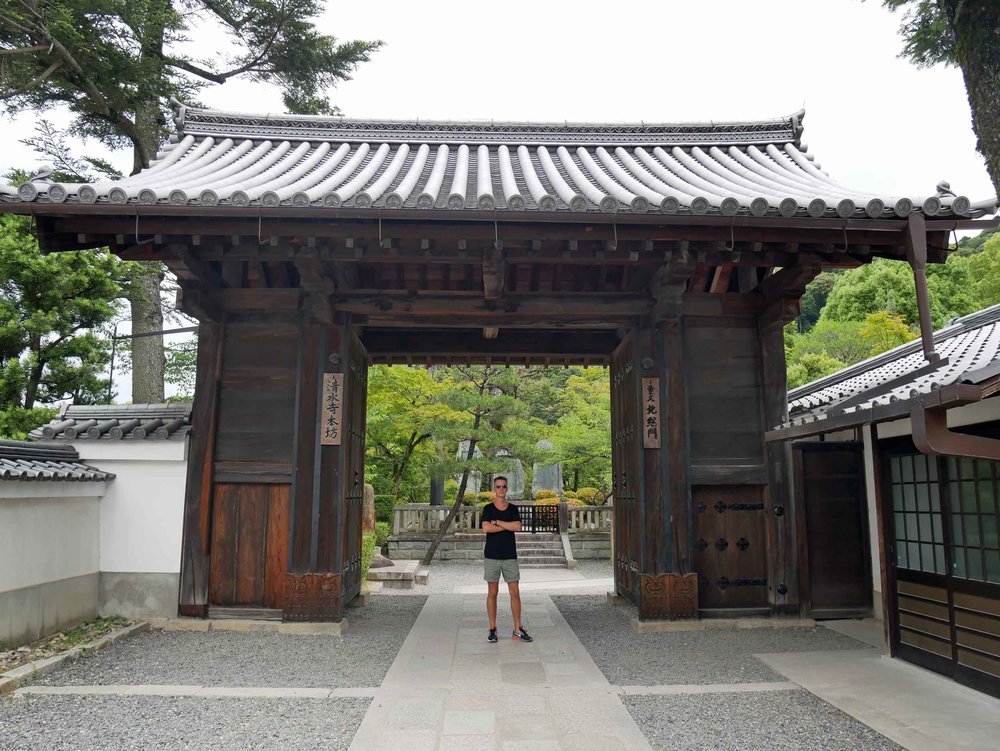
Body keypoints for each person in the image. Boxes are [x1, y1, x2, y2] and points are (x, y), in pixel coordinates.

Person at [481, 475, 532, 643]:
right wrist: (505, 526)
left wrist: (498, 522)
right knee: (492, 593)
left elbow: (517, 526)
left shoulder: (512, 509)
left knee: (514, 592)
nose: (501, 489)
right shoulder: (488, 508)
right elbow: (486, 528)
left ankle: (517, 629)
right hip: (492, 555)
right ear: (494, 489)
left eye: (503, 486)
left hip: (510, 555)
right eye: (498, 486)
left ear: (507, 488)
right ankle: (492, 628)